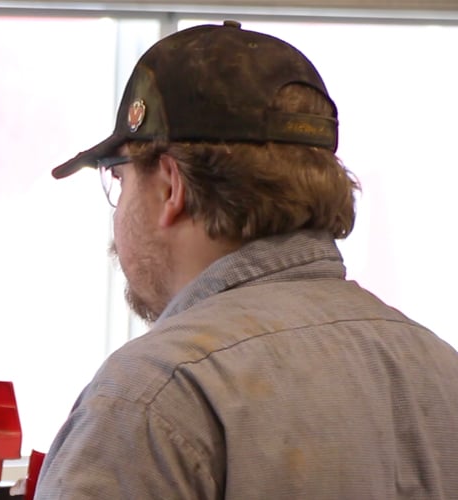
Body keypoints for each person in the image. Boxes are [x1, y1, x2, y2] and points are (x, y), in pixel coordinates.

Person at [37, 20, 458, 499]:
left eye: (118, 177)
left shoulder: (154, 396)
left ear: (171, 186)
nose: (118, 207)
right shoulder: (440, 369)